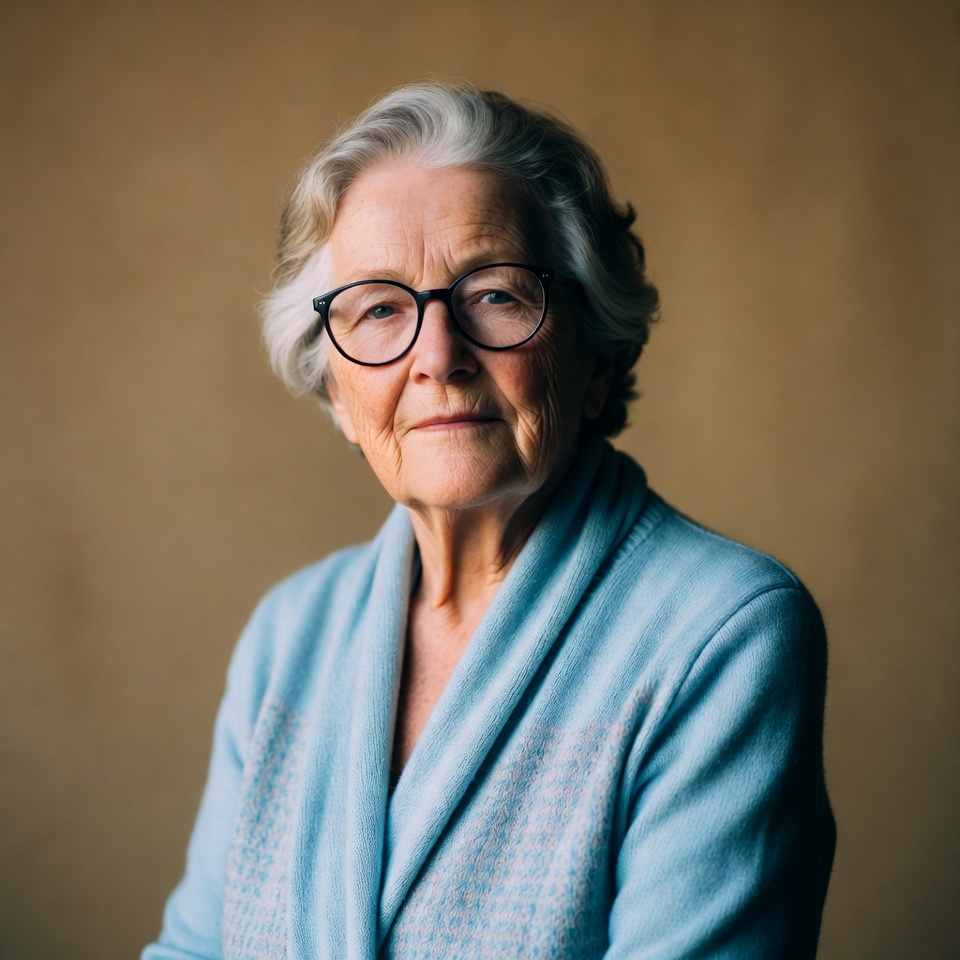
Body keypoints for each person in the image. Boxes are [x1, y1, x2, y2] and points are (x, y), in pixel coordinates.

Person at [143, 82, 834, 960]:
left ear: (593, 355)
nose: (438, 357)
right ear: (341, 394)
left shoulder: (723, 633)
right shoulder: (289, 635)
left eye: (496, 295)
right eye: (381, 308)